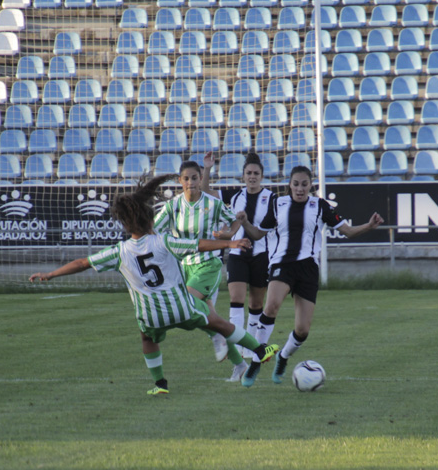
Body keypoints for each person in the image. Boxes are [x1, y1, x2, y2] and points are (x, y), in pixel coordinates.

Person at [29, 175, 278, 395]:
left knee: (147, 337)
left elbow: (82, 262)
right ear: (150, 221)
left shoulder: (119, 251)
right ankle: (259, 350)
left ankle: (160, 384)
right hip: (182, 308)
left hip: (151, 316)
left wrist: (50, 274)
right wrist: (229, 244)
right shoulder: (163, 241)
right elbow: (198, 245)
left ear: (126, 226)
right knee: (217, 321)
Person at [236, 165, 384, 386]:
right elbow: (258, 234)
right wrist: (246, 222)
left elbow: (348, 231)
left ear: (310, 186)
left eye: (304, 184)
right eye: (296, 184)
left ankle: (283, 357)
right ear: (290, 185)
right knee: (272, 305)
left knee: (302, 330)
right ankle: (257, 360)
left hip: (307, 269)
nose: (300, 188)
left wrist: (369, 226)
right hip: (282, 264)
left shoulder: (320, 206)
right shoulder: (278, 204)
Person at [153, 159, 249, 382]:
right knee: (209, 317)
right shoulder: (173, 206)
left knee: (187, 305)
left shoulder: (212, 204)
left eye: (194, 178)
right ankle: (240, 364)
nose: (190, 182)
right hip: (183, 268)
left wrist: (228, 235)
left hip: (208, 264)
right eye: (186, 179)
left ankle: (218, 337)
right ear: (180, 181)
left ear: (200, 179)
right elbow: (153, 230)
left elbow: (234, 222)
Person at [202, 151, 277, 358]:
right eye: (248, 173)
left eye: (256, 173)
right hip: (237, 254)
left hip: (261, 255)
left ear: (261, 176)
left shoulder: (271, 198)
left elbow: (264, 232)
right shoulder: (235, 195)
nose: (252, 176)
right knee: (236, 299)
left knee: (255, 304)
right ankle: (236, 347)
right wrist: (207, 168)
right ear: (243, 176)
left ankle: (250, 349)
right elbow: (206, 191)